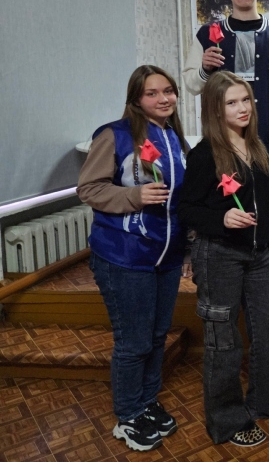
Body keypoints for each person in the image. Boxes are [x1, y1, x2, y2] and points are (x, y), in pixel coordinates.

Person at [178, 71, 269, 447]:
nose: (242, 108)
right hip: (219, 255)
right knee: (224, 341)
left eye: (245, 100)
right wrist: (222, 218)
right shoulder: (204, 155)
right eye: (231, 103)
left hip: (258, 255)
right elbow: (186, 208)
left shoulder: (258, 146)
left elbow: (268, 205)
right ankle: (227, 422)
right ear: (216, 110)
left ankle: (266, 401)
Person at [77, 65, 188, 452]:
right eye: (152, 93)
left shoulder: (174, 138)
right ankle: (127, 415)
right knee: (134, 341)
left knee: (157, 337)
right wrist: (133, 197)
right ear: (136, 100)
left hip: (166, 257)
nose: (164, 99)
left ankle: (146, 402)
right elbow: (89, 188)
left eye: (168, 91)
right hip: (124, 256)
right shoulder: (114, 134)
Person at [184, 0, 269, 301]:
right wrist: (204, 69)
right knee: (230, 202)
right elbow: (191, 84)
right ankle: (231, 274)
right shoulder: (208, 34)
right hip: (226, 142)